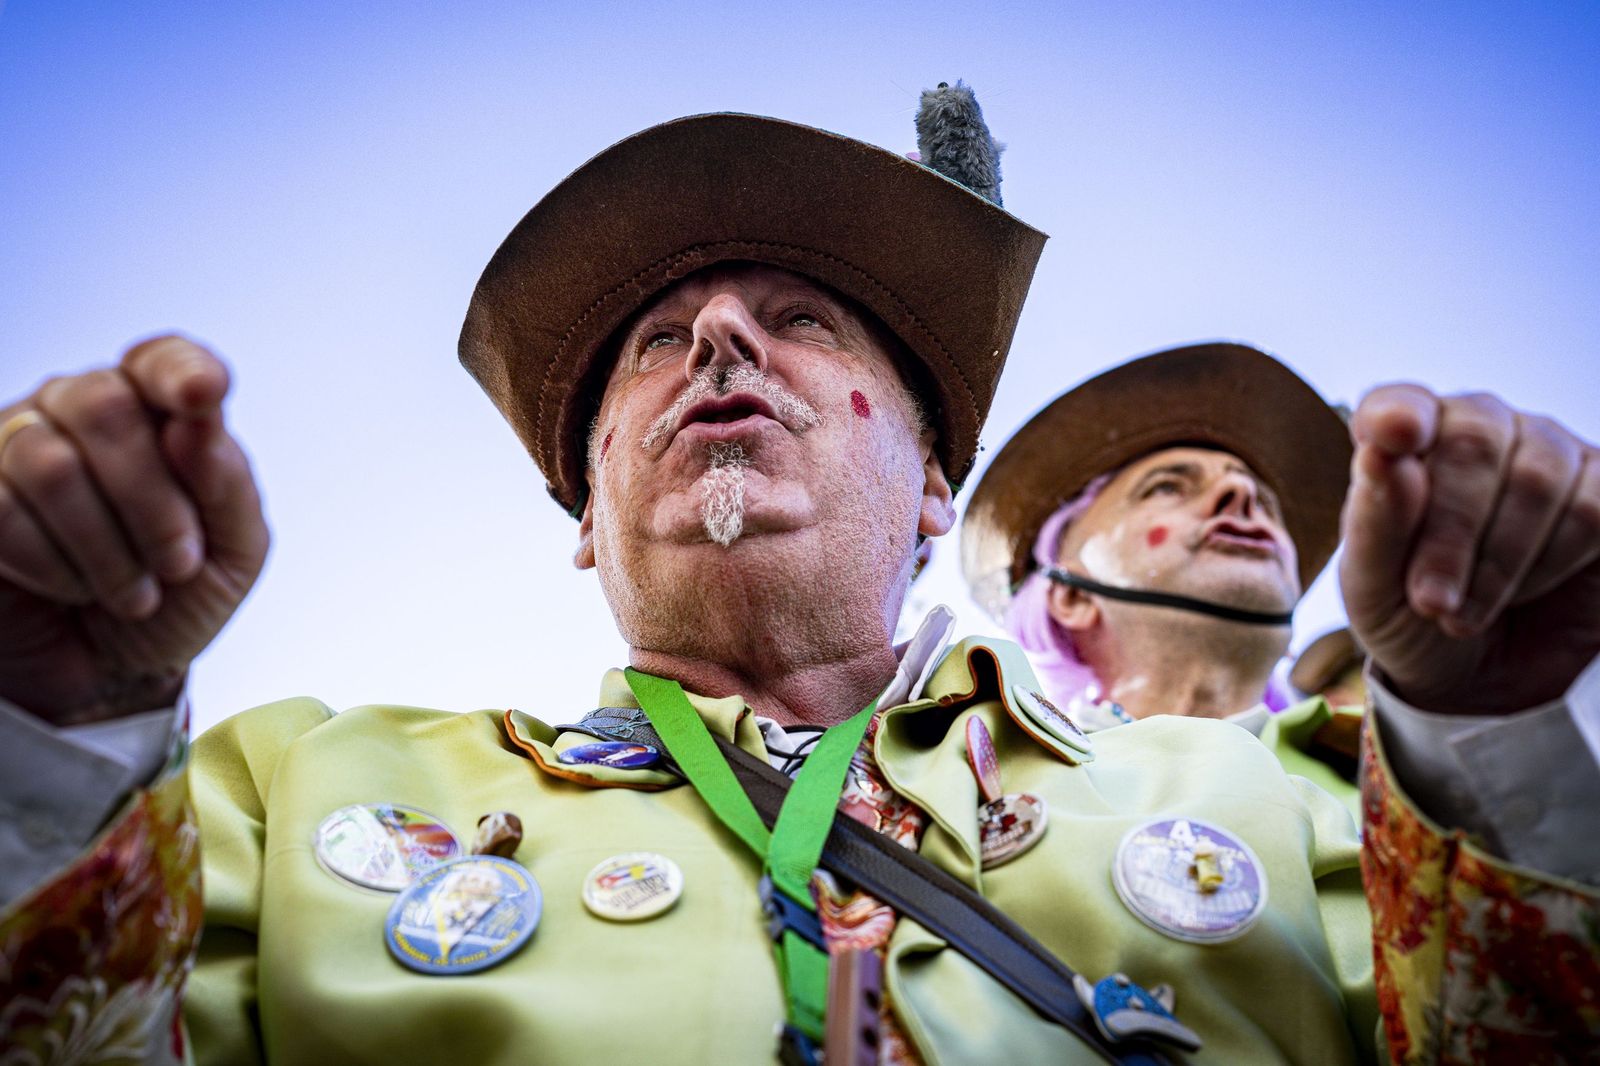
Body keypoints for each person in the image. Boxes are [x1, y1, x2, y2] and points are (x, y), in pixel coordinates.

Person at [1, 87, 1596, 1064]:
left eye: (807, 320)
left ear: (928, 492)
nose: (718, 340)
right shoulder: (287, 793)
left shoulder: (1291, 798)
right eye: (653, 343)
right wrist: (58, 737)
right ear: (585, 511)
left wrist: (1500, 726)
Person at [959, 344, 1368, 813]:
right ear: (1070, 595)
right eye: (1168, 486)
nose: (1241, 492)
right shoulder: (978, 770)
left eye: (1265, 501)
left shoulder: (1403, 786)